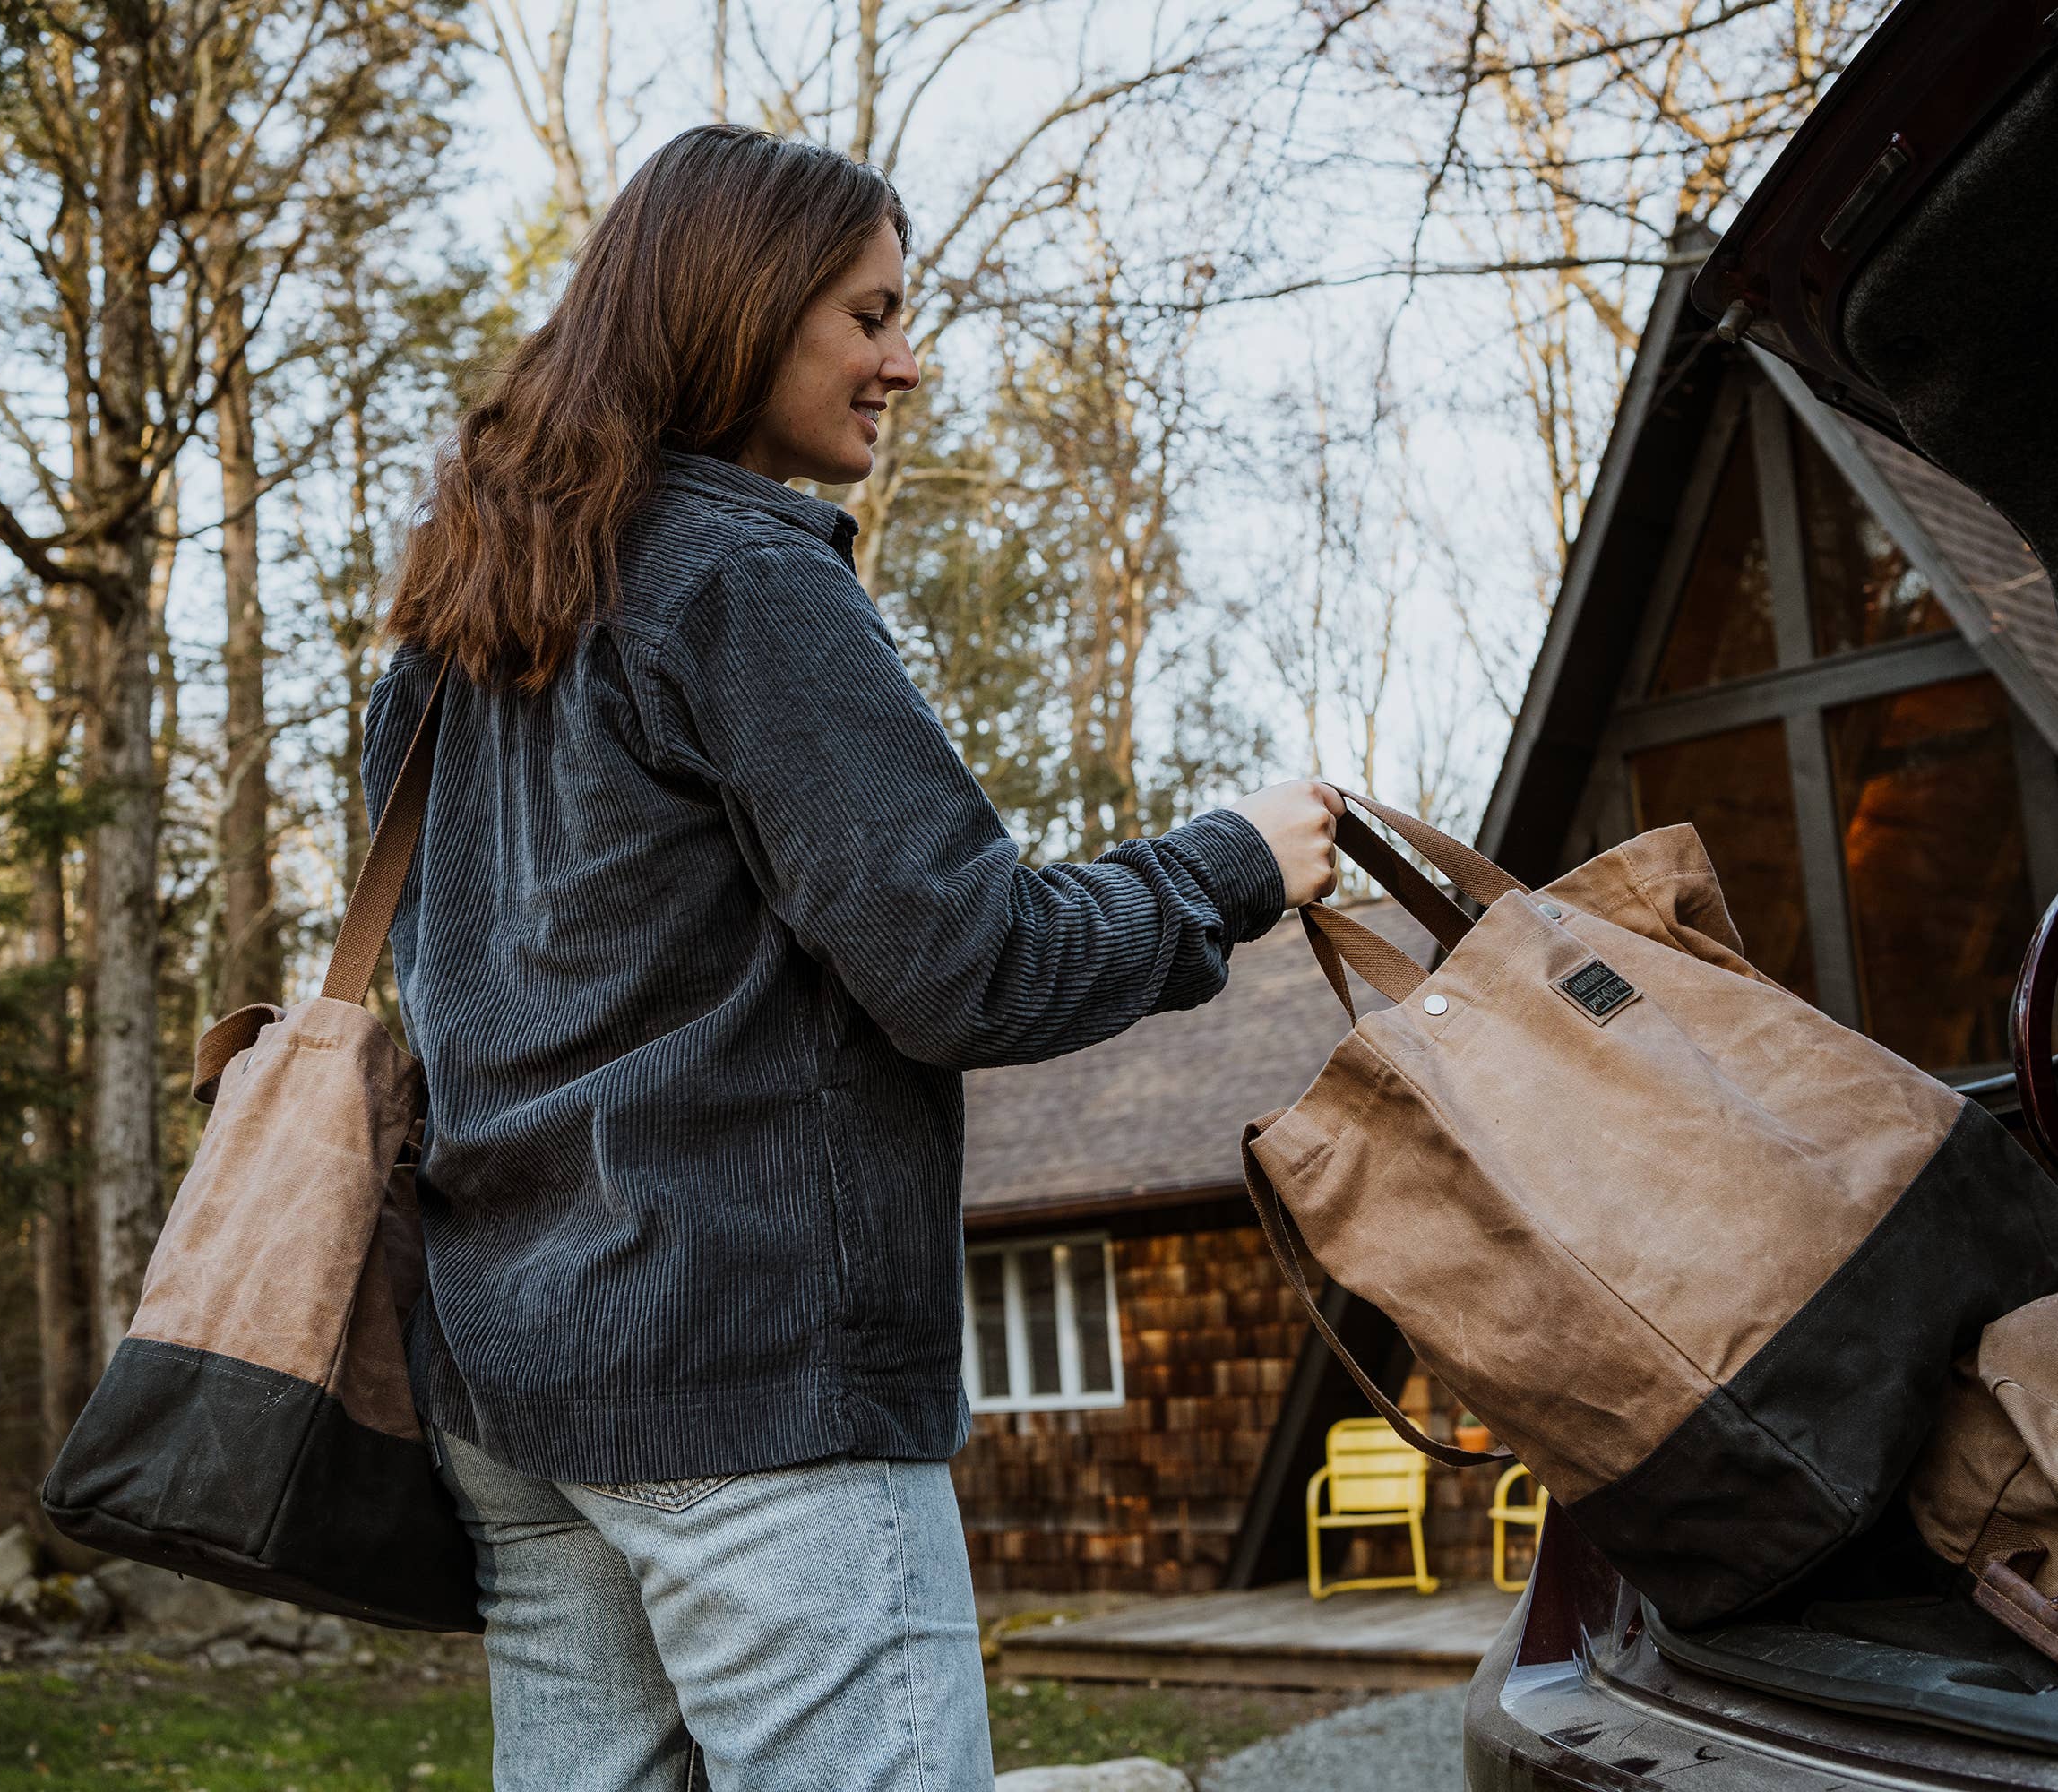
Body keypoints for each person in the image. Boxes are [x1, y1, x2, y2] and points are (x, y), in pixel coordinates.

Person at [363, 124, 1342, 1792]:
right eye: (871, 315)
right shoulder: (745, 578)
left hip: (516, 1393)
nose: (908, 359)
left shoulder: (462, 632)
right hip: (748, 1380)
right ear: (742, 313)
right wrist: (1230, 867)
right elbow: (968, 964)